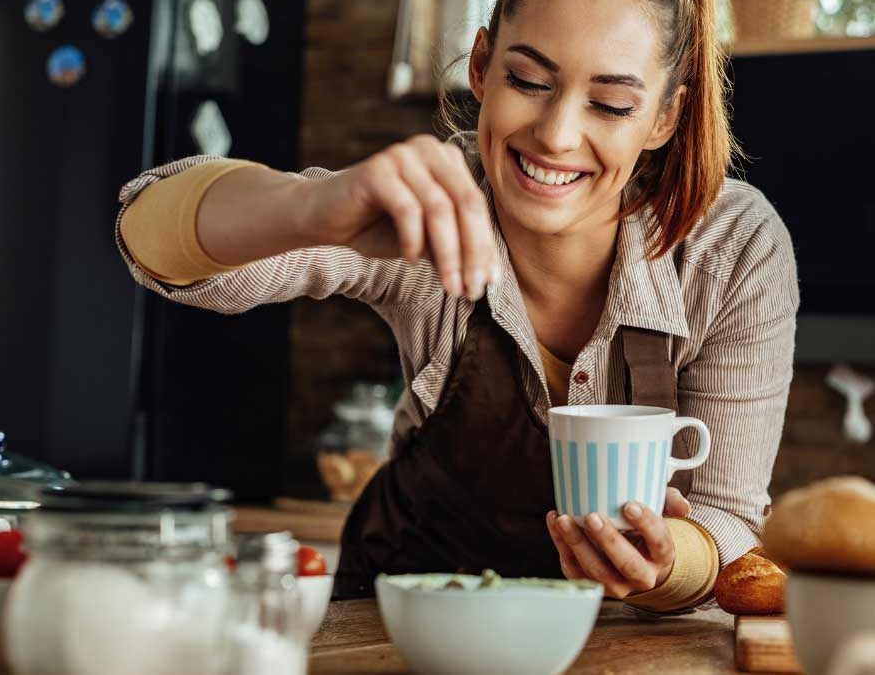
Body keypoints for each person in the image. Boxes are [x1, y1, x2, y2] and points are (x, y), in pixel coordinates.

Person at [116, 0, 799, 611]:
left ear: (665, 116)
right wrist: (310, 207)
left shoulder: (732, 248)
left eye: (610, 104)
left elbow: (723, 517)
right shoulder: (428, 207)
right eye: (529, 81)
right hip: (406, 626)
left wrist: (667, 562)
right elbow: (145, 234)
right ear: (481, 67)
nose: (557, 135)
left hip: (622, 647)